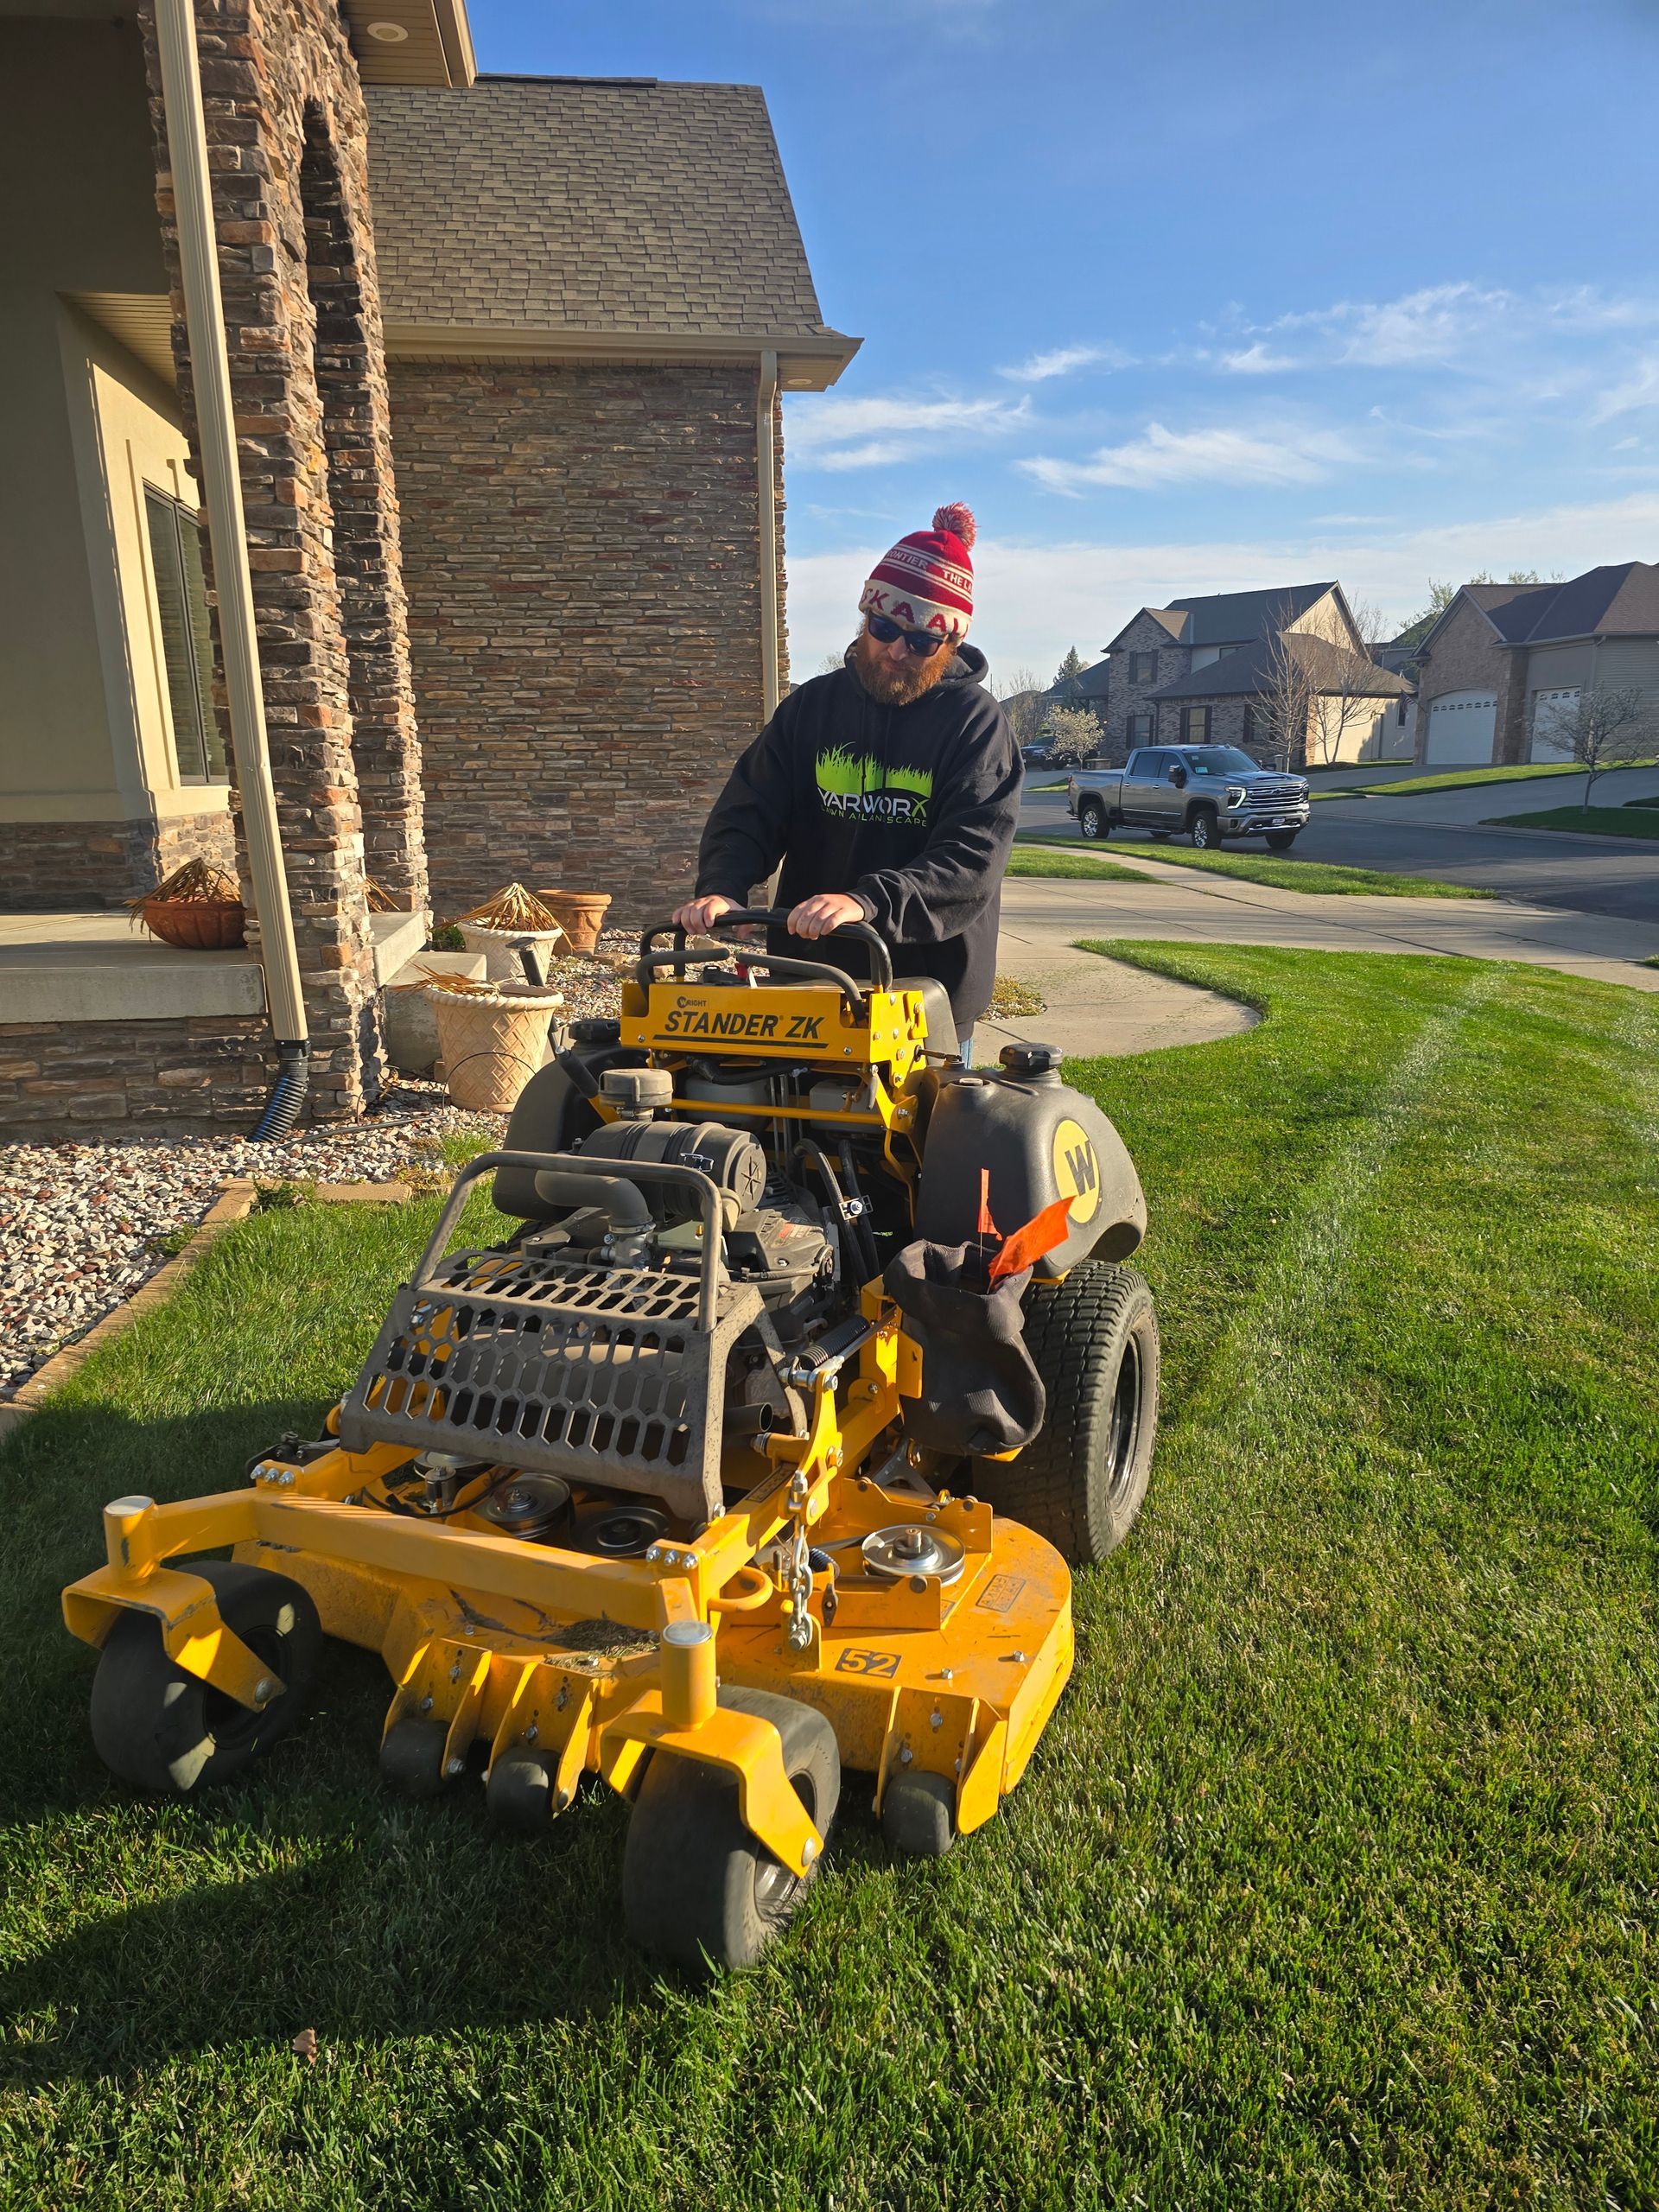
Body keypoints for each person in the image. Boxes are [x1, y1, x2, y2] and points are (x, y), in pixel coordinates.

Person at [674, 503, 1021, 1059]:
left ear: (949, 643)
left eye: (920, 641)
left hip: (922, 992)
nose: (895, 650)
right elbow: (751, 809)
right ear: (866, 617)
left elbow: (971, 858)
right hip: (809, 975)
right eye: (884, 628)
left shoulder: (976, 724)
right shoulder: (812, 706)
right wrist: (724, 884)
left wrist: (867, 902)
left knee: (918, 1143)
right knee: (792, 1132)